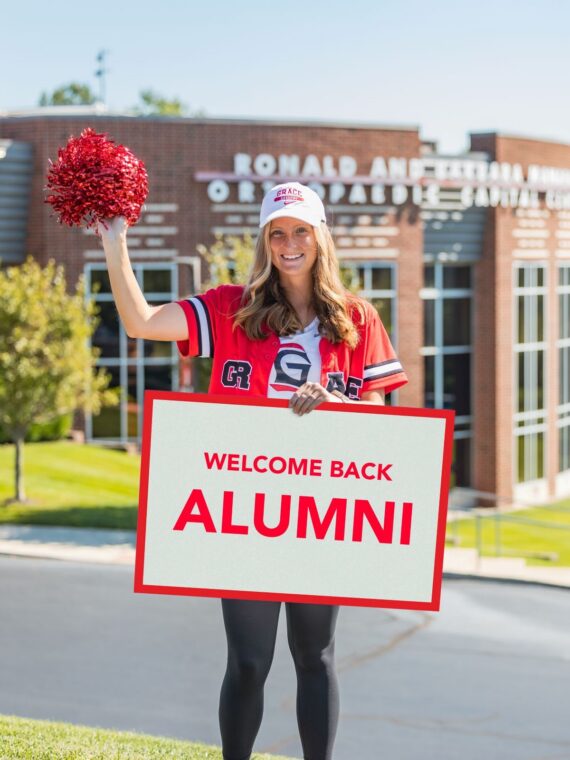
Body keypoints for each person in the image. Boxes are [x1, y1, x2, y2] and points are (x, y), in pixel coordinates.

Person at [97, 181, 408, 760]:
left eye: (300, 231)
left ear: (320, 239)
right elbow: (140, 322)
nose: (289, 243)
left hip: (323, 513)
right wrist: (116, 242)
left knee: (315, 658)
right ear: (265, 242)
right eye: (277, 232)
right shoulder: (229, 309)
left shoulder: (360, 321)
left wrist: (340, 406)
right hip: (248, 510)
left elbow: (381, 425)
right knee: (248, 660)